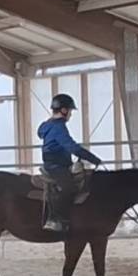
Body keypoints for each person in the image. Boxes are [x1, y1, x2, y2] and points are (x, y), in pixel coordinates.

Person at [37, 93, 102, 232]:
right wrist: (93, 159)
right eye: (70, 111)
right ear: (64, 110)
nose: (71, 114)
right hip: (56, 166)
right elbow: (72, 147)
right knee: (69, 187)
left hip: (55, 163)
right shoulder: (58, 127)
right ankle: (54, 219)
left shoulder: (48, 125)